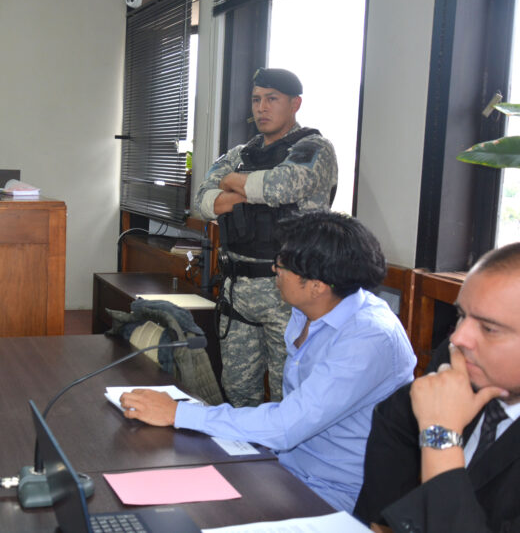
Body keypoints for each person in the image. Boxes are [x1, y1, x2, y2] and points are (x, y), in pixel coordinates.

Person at [119, 211, 415, 513]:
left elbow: (286, 425)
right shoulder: (307, 312)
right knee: (163, 492)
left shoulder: (369, 339)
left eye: (282, 265)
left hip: (331, 493)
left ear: (317, 285)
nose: (274, 268)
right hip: (282, 465)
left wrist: (177, 413)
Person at [195, 68, 338, 407]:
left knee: (289, 392)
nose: (262, 107)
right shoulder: (240, 153)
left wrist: (232, 185)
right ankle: (243, 460)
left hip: (290, 295)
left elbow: (281, 186)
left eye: (272, 99)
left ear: (295, 103)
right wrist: (250, 191)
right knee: (237, 390)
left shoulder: (314, 148)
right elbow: (203, 201)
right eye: (257, 99)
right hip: (237, 289)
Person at [354, 243, 520, 532]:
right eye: (461, 315)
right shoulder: (464, 357)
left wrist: (440, 436)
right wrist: (388, 521)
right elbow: (396, 419)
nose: (459, 337)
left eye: (489, 329)